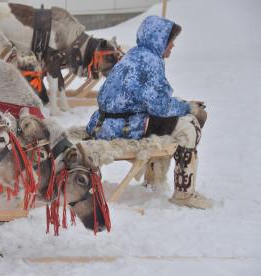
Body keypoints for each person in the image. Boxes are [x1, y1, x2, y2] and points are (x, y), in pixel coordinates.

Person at [86, 15, 212, 209]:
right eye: (170, 41)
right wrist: (189, 108)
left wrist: (181, 104)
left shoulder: (134, 54)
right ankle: (184, 194)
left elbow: (148, 99)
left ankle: (152, 178)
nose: (172, 46)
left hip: (104, 124)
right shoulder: (149, 61)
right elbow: (160, 106)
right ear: (159, 40)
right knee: (190, 125)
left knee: (174, 117)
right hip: (123, 129)